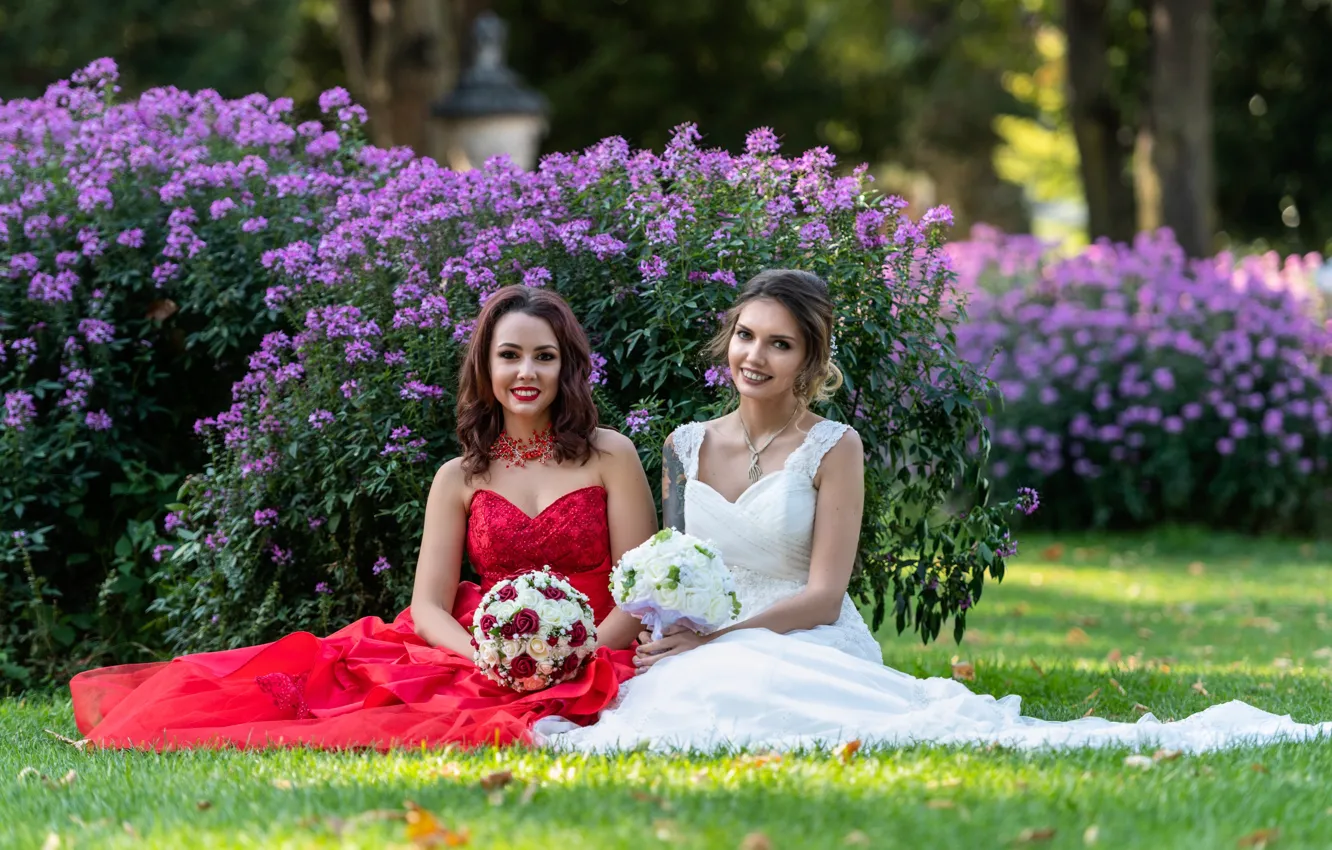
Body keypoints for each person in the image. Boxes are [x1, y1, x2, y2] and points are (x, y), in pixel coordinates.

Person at [536, 269, 1332, 753]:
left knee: (742, 694)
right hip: (696, 640)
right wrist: (633, 642)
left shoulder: (833, 447)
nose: (755, 356)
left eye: (779, 344)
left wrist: (717, 636)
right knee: (666, 709)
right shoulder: (680, 446)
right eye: (746, 335)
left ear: (809, 359)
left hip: (800, 633)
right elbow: (664, 572)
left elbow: (821, 592)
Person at [70, 285, 657, 750]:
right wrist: (491, 660)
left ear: (566, 367)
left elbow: (639, 590)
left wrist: (578, 659)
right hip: (489, 649)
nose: (526, 372)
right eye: (510, 355)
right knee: (343, 697)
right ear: (485, 367)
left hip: (600, 647)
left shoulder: (611, 455)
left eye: (544, 357)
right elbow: (428, 605)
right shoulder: (459, 476)